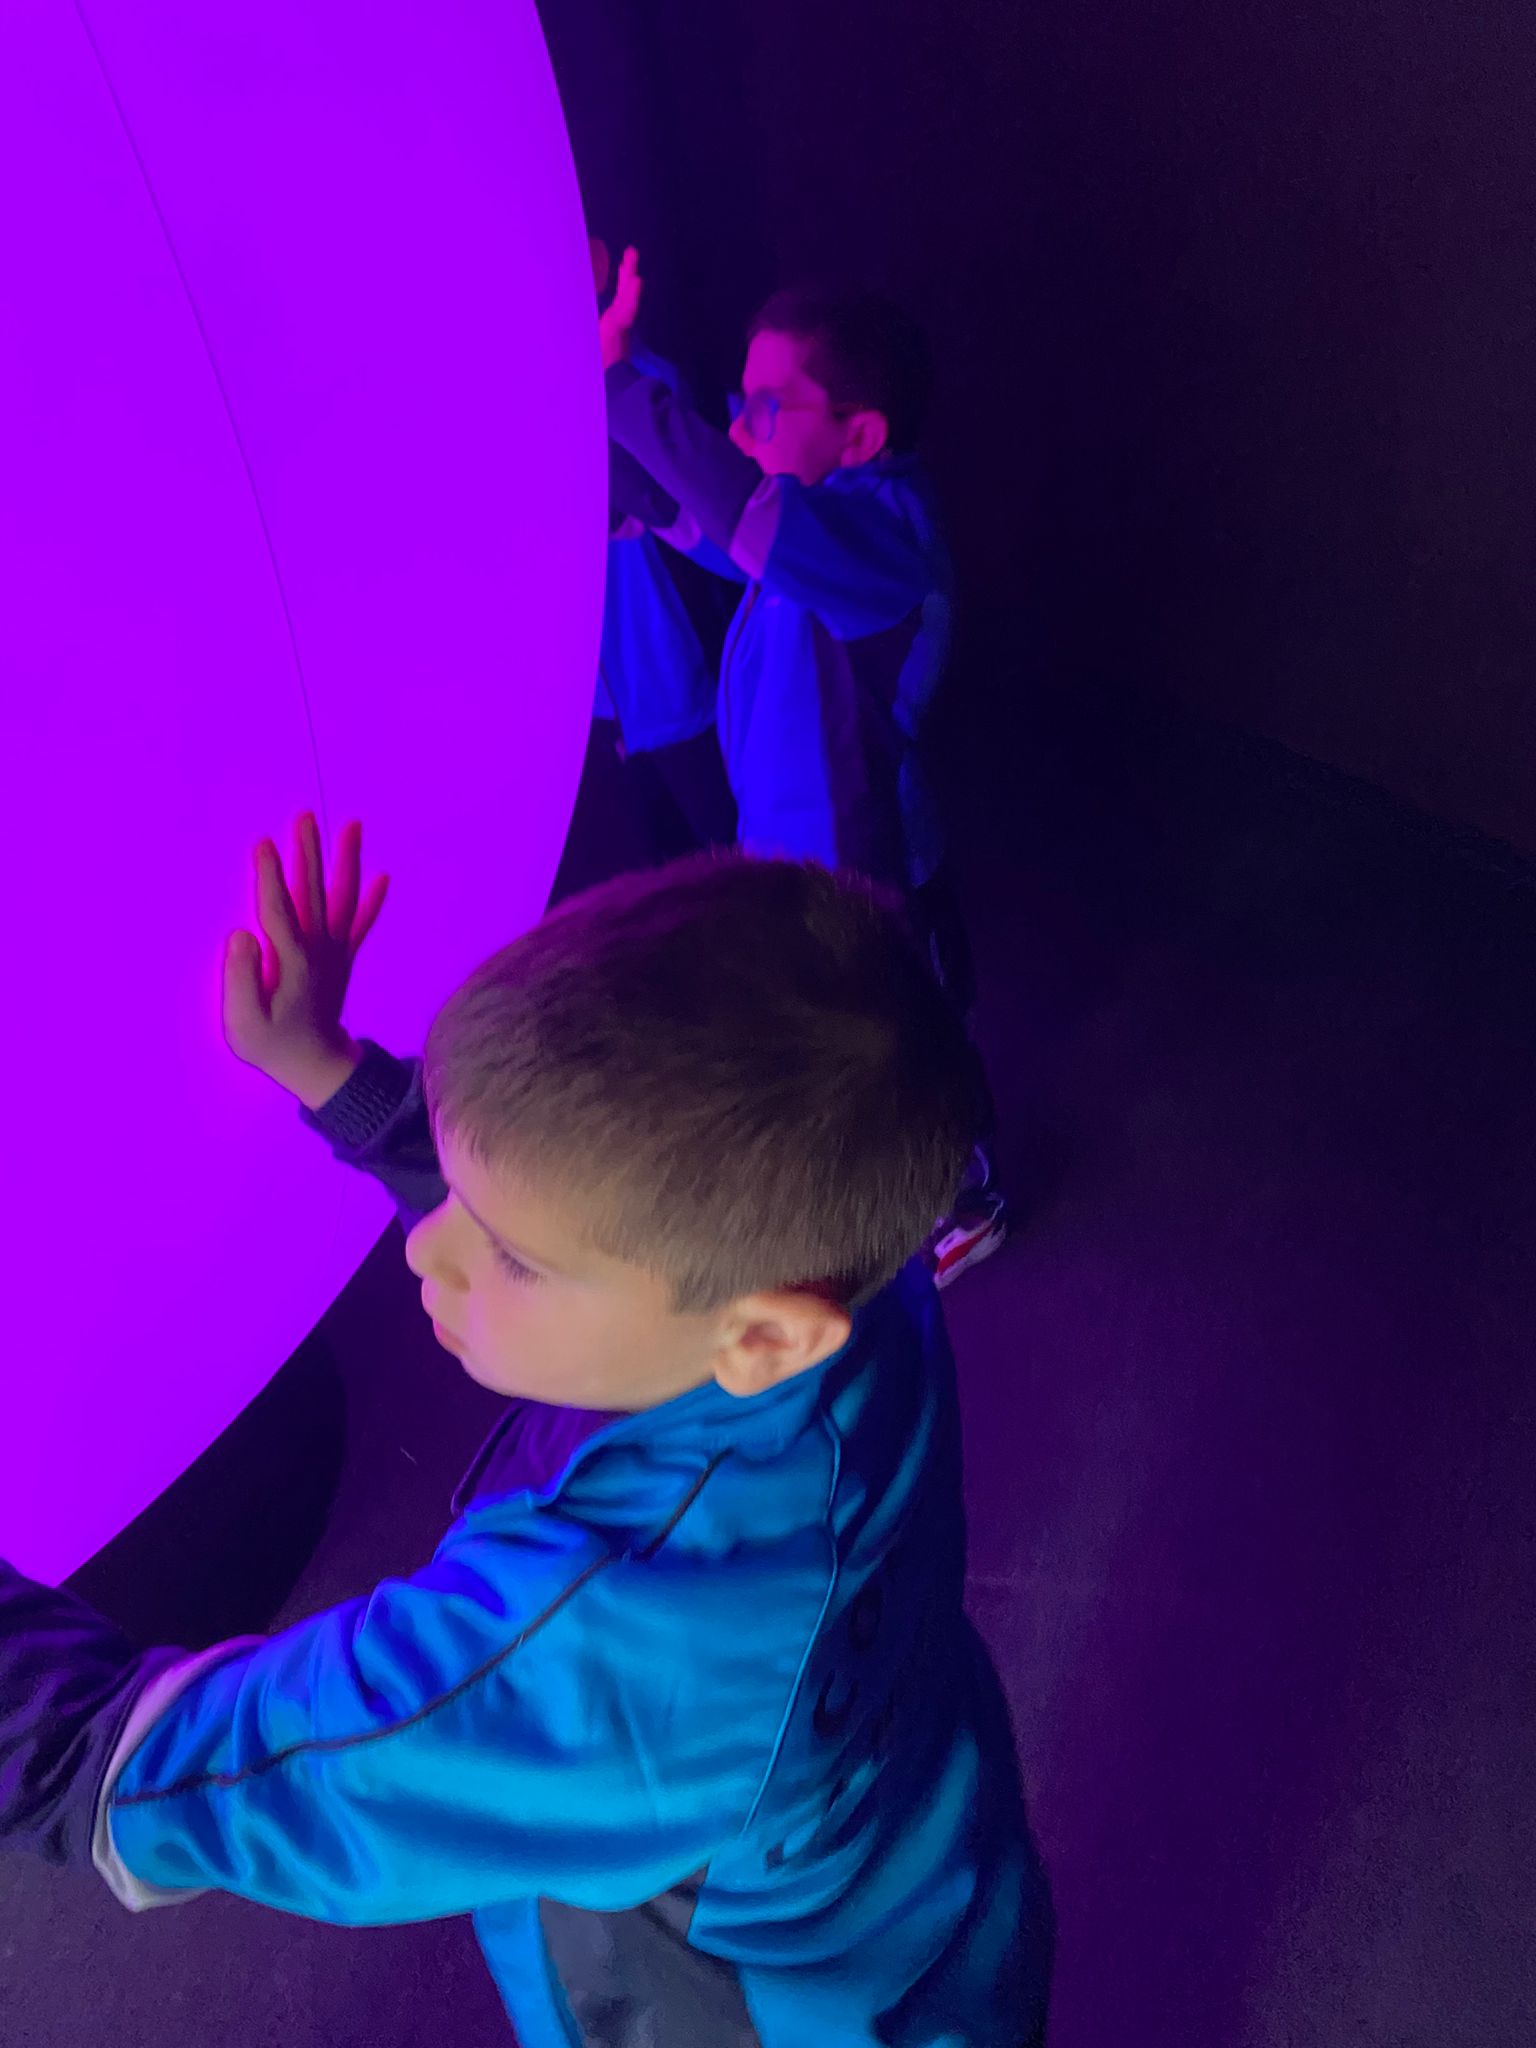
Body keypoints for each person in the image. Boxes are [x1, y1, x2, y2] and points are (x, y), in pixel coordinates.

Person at [0, 818, 1052, 2046]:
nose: (426, 1250)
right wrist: (340, 1077)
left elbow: (137, 1771)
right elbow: (605, 1206)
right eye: (458, 1193)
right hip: (937, 1912)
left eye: (507, 1255)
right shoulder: (859, 1272)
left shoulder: (610, 1653)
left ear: (761, 1334)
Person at [601, 254, 1006, 1282]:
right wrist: (621, 448)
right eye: (738, 404)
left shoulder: (884, 539)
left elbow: (739, 512)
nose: (740, 429)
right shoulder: (819, 527)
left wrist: (621, 383)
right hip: (804, 847)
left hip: (863, 862)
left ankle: (959, 1199)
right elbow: (706, 525)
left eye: (765, 408)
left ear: (859, 436)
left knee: (894, 1035)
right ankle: (892, 1171)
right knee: (849, 1030)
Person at [552, 239, 736, 902]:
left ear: (598, 263)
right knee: (650, 900)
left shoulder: (650, 380)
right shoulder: (520, 391)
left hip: (673, 682)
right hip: (597, 705)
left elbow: (685, 512)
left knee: (733, 873)